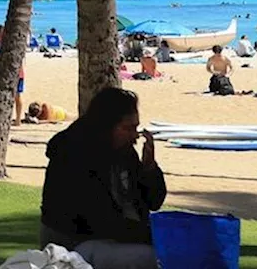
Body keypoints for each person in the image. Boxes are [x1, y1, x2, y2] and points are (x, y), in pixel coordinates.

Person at [40, 87, 166, 269]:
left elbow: (153, 202)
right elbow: (99, 221)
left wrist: (149, 168)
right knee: (155, 258)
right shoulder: (74, 156)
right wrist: (153, 237)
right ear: (106, 125)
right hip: (74, 244)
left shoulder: (123, 151)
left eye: (136, 128)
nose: (134, 136)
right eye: (127, 128)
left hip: (113, 237)